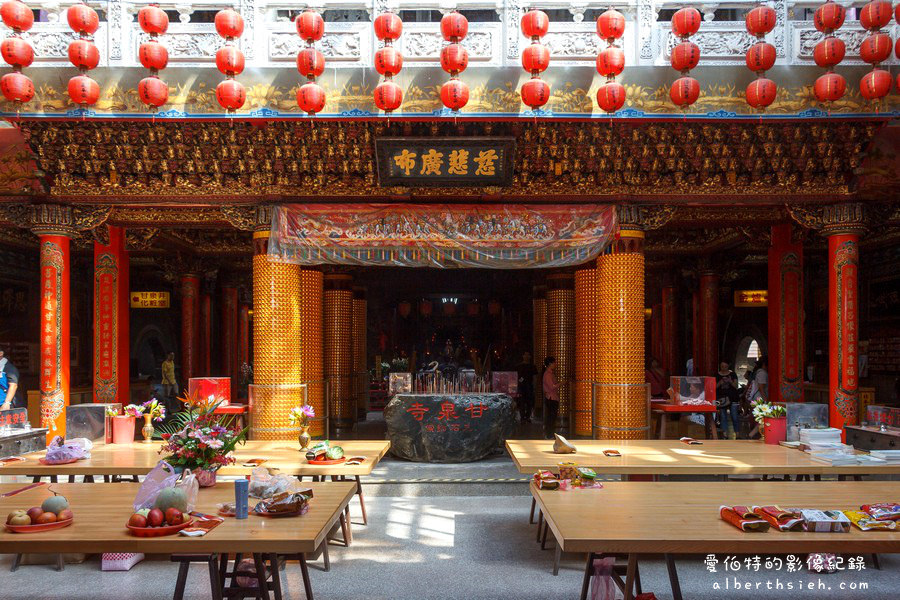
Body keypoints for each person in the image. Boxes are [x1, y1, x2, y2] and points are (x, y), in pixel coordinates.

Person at [715, 361, 740, 439]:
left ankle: (737, 434)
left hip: (732, 397)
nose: (724, 368)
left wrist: (730, 381)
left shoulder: (733, 374)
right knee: (723, 416)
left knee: (734, 416)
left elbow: (736, 386)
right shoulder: (717, 375)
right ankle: (724, 434)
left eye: (725, 366)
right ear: (720, 366)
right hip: (721, 398)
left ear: (728, 366)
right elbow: (714, 387)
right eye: (722, 366)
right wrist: (720, 382)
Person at [516, 352, 538, 423]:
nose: (526, 356)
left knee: (529, 403)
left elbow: (535, 377)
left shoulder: (533, 366)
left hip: (529, 386)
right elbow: (516, 377)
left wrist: (534, 386)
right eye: (525, 354)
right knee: (521, 402)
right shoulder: (518, 366)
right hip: (521, 387)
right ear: (522, 356)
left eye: (528, 355)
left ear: (530, 356)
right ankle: (522, 417)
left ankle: (527, 417)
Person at [542, 356, 560, 439]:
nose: (555, 364)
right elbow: (552, 387)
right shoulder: (548, 374)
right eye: (554, 362)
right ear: (550, 364)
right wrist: (561, 383)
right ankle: (549, 434)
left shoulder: (549, 373)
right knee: (551, 418)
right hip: (551, 398)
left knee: (551, 417)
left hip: (552, 397)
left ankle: (550, 434)